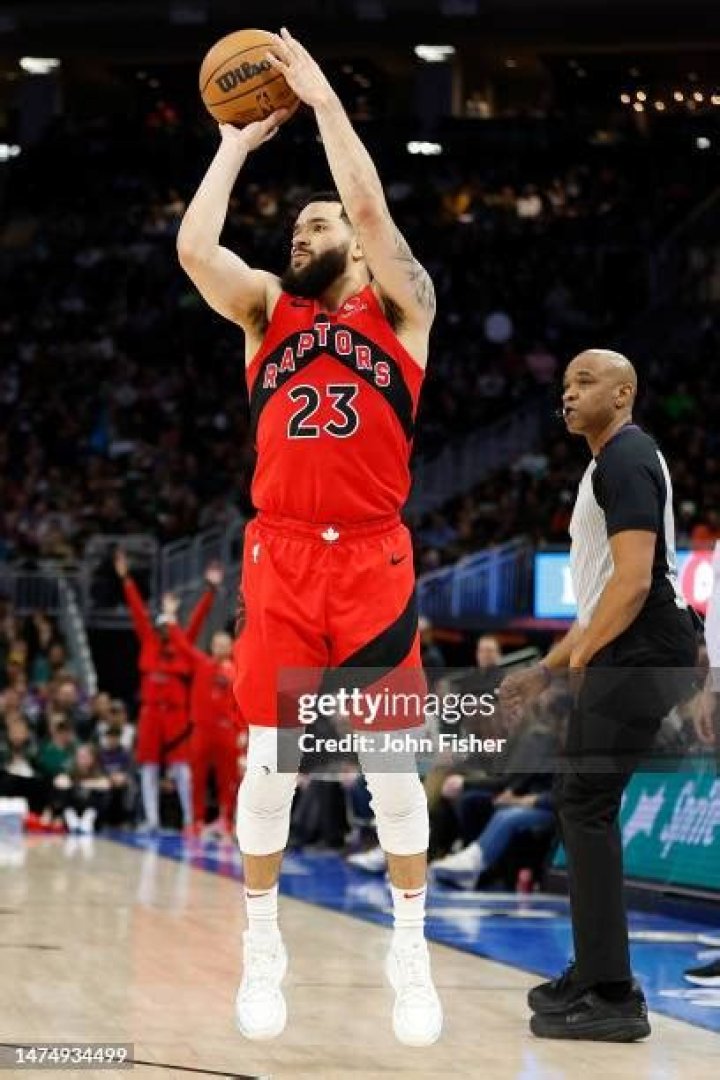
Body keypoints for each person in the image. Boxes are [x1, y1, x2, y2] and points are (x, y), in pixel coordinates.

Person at [177, 27, 441, 1046]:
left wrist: (327, 106)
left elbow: (371, 206)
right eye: (293, 222)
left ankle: (408, 949)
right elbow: (197, 250)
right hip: (280, 555)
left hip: (372, 558)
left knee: (392, 771)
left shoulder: (405, 311)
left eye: (316, 219)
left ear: (360, 247)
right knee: (270, 765)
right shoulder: (262, 316)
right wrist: (237, 145)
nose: (301, 229)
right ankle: (262, 944)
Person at [499, 349, 699, 1041]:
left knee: (583, 800)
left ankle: (611, 992)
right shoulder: (604, 464)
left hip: (644, 649)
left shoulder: (627, 457)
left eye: (585, 382)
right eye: (564, 385)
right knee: (583, 800)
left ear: (624, 394)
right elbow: (600, 596)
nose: (569, 393)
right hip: (635, 645)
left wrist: (586, 656)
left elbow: (637, 581)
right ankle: (594, 974)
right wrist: (549, 669)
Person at [113, 548, 222, 833]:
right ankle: (151, 820)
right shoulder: (148, 642)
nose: (162, 629)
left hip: (175, 715)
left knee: (181, 768)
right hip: (150, 713)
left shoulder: (181, 642)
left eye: (166, 624)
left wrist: (210, 591)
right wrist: (126, 581)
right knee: (148, 768)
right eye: (159, 624)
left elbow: (196, 620)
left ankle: (188, 819)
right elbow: (137, 610)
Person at [167, 610, 245, 837]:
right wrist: (172, 619)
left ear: (231, 647)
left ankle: (225, 822)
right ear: (211, 646)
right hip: (201, 729)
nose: (221, 647)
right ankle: (197, 821)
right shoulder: (201, 663)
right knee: (197, 777)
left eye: (225, 644)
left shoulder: (237, 671)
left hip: (226, 730)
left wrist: (242, 730)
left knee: (227, 779)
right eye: (217, 644)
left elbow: (242, 705)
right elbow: (182, 645)